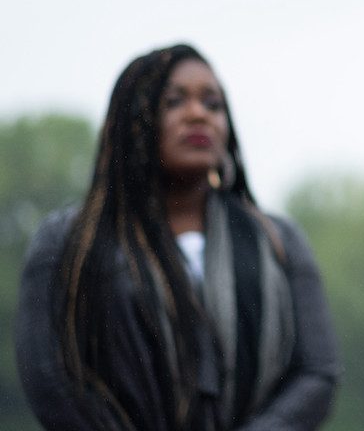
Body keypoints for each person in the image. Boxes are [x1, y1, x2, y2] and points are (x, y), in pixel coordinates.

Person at [15, 44, 340, 430]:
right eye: (173, 102)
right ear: (133, 118)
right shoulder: (70, 241)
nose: (198, 114)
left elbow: (317, 372)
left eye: (213, 104)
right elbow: (50, 374)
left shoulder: (277, 241)